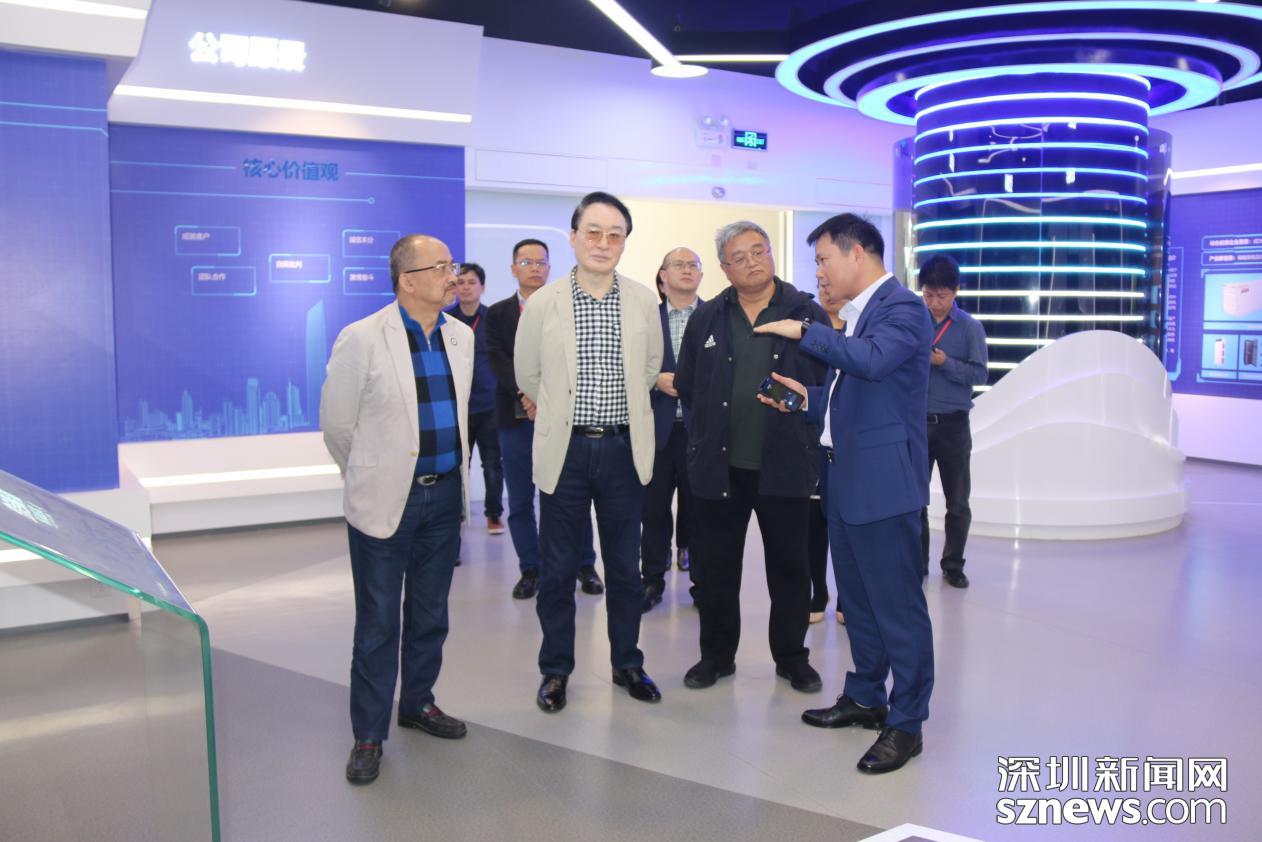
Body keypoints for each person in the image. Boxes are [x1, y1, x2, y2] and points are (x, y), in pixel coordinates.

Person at [754, 212, 934, 774]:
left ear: (858, 253)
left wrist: (805, 331)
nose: (820, 273)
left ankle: (907, 722)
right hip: (845, 478)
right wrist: (805, 399)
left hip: (883, 486)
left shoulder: (902, 308)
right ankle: (865, 695)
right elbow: (852, 396)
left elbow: (874, 363)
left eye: (824, 259)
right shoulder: (859, 316)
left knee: (897, 607)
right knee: (857, 602)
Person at [321, 234, 474, 785]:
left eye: (452, 266)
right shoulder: (362, 338)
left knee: (431, 614)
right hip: (388, 498)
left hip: (444, 495)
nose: (453, 276)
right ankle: (368, 734)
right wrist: (371, 475)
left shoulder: (460, 337)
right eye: (441, 267)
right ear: (407, 280)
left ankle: (417, 703)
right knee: (378, 622)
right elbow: (337, 427)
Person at [515, 191, 664, 713]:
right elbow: (527, 374)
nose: (603, 243)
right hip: (567, 451)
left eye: (614, 234)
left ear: (625, 242)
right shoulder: (544, 302)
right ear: (574, 237)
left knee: (624, 568)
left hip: (623, 449)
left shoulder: (643, 301)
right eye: (593, 232)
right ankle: (555, 670)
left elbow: (650, 369)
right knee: (557, 570)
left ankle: (628, 662)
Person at [673, 220, 828, 694]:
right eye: (738, 257)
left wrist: (800, 406)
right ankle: (716, 656)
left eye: (758, 251)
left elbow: (828, 382)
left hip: (785, 462)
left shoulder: (806, 312)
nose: (751, 262)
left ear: (772, 253)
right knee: (717, 567)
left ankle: (792, 658)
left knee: (790, 566)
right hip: (719, 467)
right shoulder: (708, 316)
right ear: (724, 268)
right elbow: (688, 384)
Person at [485, 240, 601, 600]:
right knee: (521, 499)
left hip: (564, 418)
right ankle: (531, 569)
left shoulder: (568, 307)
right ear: (513, 269)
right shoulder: (498, 313)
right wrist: (528, 393)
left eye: (541, 262)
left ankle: (585, 565)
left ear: (550, 267)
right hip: (516, 417)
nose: (535, 268)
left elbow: (576, 358)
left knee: (574, 496)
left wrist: (548, 399)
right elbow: (498, 359)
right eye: (527, 262)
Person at [918, 254, 988, 589]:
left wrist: (945, 363)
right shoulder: (914, 322)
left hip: (953, 426)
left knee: (957, 501)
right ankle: (917, 562)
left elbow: (980, 374)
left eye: (941, 295)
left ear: (956, 290)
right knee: (914, 500)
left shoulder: (970, 328)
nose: (934, 302)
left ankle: (953, 564)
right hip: (917, 423)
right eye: (928, 294)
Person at [641, 247, 703, 612]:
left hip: (700, 431)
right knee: (653, 511)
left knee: (700, 510)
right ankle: (651, 579)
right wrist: (654, 379)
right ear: (663, 276)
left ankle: (701, 584)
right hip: (657, 429)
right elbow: (629, 365)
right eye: (678, 264)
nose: (686, 269)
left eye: (693, 265)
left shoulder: (713, 316)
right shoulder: (645, 318)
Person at [446, 262, 505, 538]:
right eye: (460, 283)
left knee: (492, 463)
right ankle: (457, 512)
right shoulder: (445, 320)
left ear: (482, 287)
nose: (466, 288)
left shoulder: (493, 318)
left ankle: (493, 514)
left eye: (471, 282)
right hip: (457, 405)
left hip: (490, 404)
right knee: (458, 465)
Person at [808, 274, 849, 625]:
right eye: (822, 287)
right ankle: (817, 592)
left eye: (832, 284)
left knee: (845, 526)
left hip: (845, 442)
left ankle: (846, 598)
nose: (828, 292)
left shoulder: (857, 332)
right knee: (813, 524)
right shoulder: (809, 333)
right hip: (810, 437)